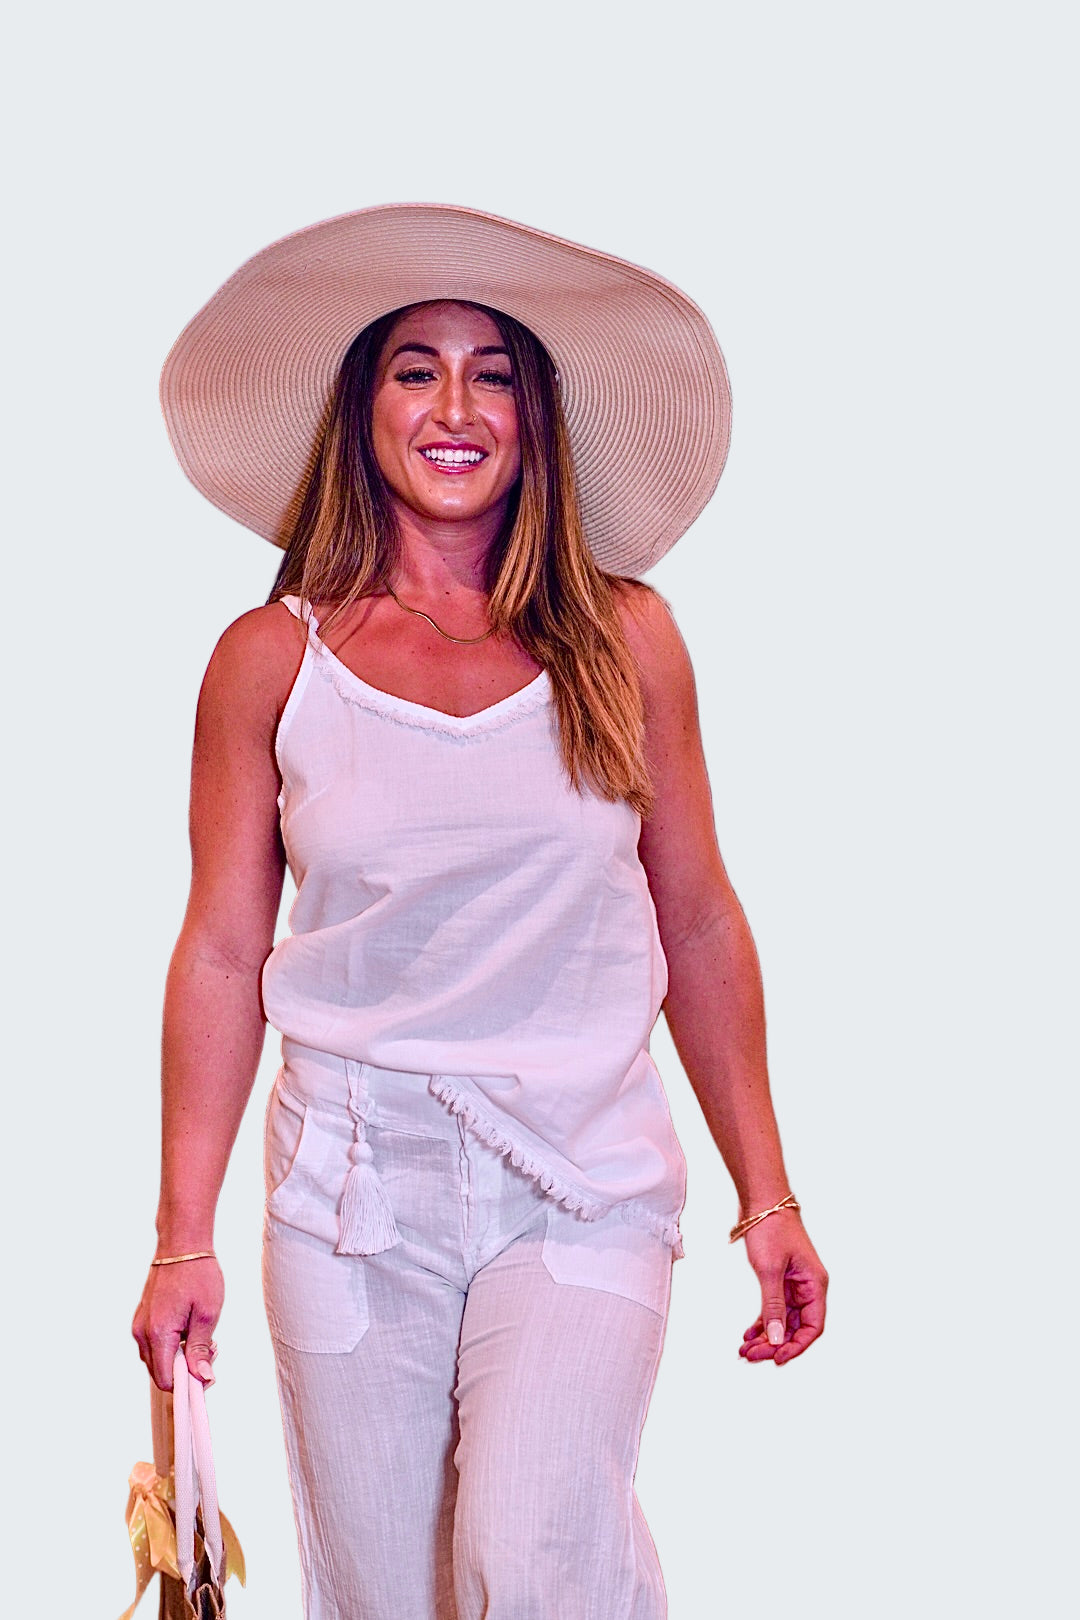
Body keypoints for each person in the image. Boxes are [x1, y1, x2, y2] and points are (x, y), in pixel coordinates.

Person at [132, 203, 828, 1620]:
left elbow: (694, 920)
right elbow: (219, 950)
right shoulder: (273, 661)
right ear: (361, 410)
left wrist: (771, 1191)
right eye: (414, 368)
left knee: (534, 1556)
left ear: (536, 417)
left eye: (493, 373)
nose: (457, 407)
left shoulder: (628, 639)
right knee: (383, 1596)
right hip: (347, 1189)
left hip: (581, 1180)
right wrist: (180, 1234)